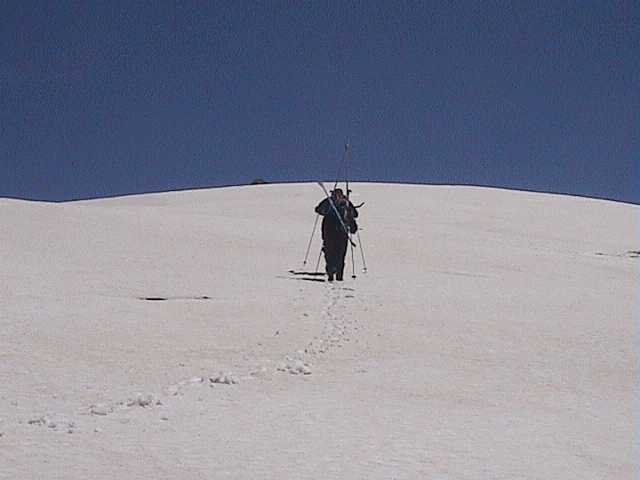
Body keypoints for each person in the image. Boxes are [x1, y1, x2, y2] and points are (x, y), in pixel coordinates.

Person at [314, 188, 358, 281]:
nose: (337, 197)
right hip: (329, 232)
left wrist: (348, 206)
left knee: (340, 255)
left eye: (339, 195)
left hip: (342, 233)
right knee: (329, 253)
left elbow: (354, 214)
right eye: (335, 194)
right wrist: (328, 202)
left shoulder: (346, 203)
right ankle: (330, 273)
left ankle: (339, 275)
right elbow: (319, 210)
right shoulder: (329, 203)